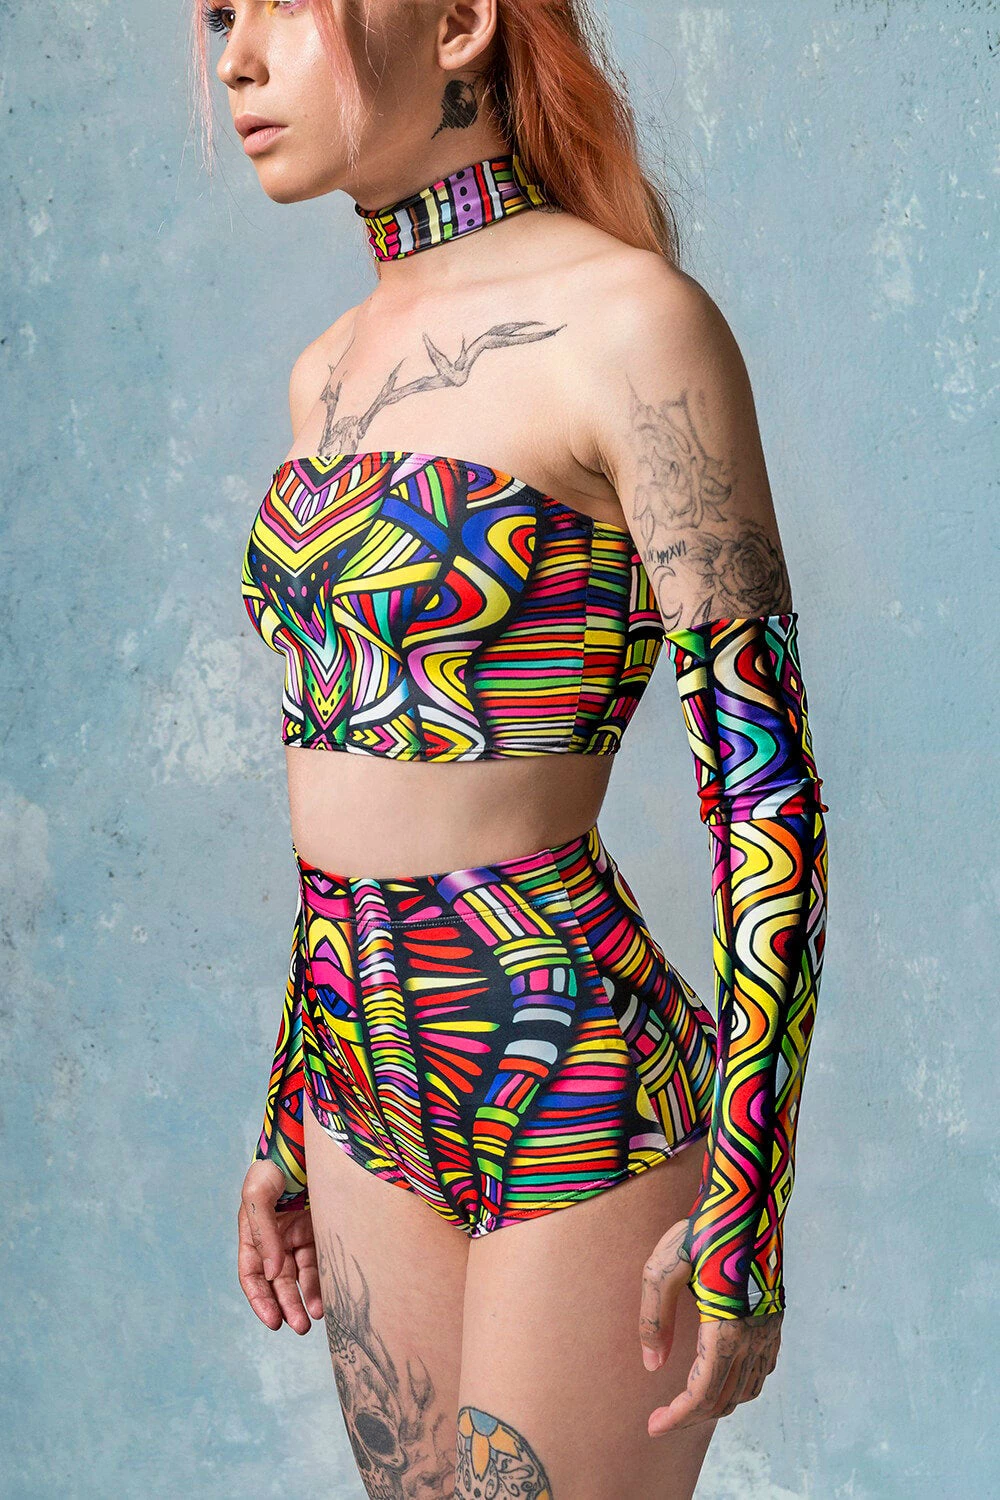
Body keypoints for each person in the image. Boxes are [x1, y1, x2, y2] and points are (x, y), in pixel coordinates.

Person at [194, 2, 830, 1495]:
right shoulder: (325, 372)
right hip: (357, 1076)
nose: (235, 59)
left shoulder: (632, 326)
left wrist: (750, 1195)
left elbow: (769, 796)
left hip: (568, 1076)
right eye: (218, 13)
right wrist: (291, 1103)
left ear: (462, 22)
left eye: (282, 5)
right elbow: (341, 773)